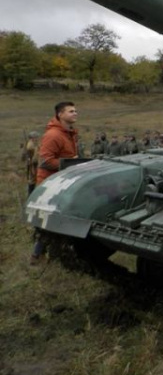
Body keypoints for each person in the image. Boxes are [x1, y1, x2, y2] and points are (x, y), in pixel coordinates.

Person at [32, 101, 79, 263]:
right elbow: (45, 161)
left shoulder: (68, 133)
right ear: (60, 114)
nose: (75, 113)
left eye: (75, 111)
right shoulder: (54, 135)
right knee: (47, 220)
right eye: (71, 111)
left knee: (57, 218)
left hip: (61, 181)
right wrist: (69, 162)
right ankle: (37, 256)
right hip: (49, 184)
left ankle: (54, 253)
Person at [22, 131, 40, 196]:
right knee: (32, 179)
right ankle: (31, 194)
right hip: (32, 164)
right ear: (32, 138)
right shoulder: (30, 145)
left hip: (33, 163)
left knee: (33, 178)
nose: (37, 138)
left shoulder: (32, 144)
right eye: (36, 137)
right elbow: (31, 156)